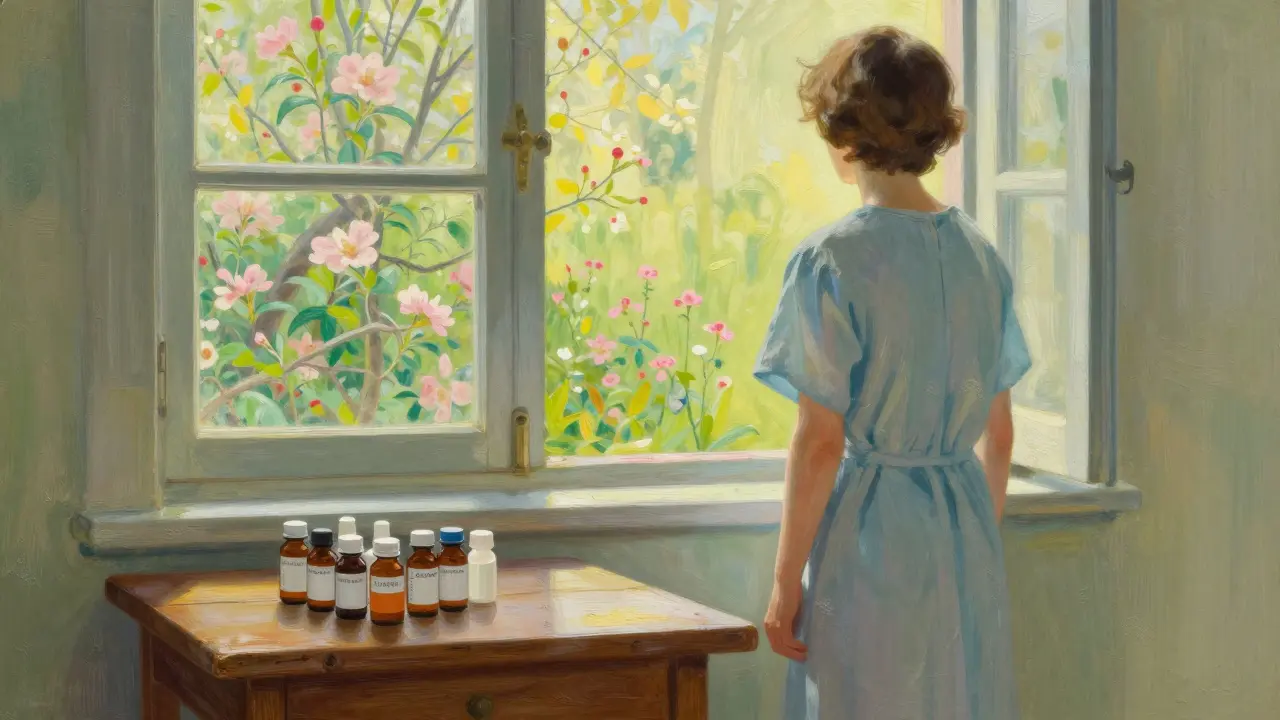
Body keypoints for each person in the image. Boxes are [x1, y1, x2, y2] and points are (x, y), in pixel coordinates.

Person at [754, 26, 1031, 720]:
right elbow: (999, 435)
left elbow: (820, 443)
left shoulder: (832, 261)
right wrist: (974, 543)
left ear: (843, 134)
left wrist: (786, 583)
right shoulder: (981, 256)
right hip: (965, 539)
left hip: (872, 539)